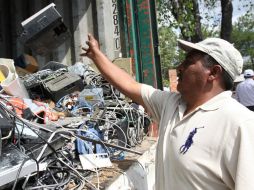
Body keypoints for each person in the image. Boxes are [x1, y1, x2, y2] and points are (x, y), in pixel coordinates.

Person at [81, 34, 254, 190]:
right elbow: (130, 85)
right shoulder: (171, 104)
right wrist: (96, 55)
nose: (179, 67)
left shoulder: (240, 123)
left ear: (213, 72)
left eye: (189, 62)